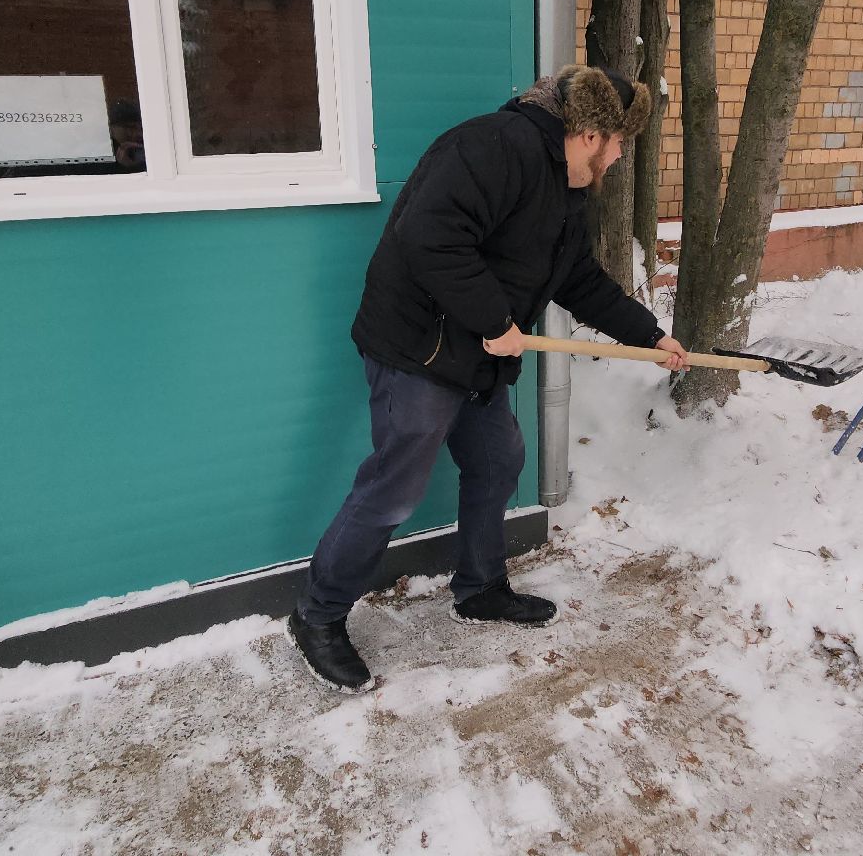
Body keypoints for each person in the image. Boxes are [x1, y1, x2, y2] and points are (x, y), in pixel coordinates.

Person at [288, 64, 690, 694]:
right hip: (418, 348)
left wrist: (651, 336)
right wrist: (495, 318)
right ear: (590, 133)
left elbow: (578, 278)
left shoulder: (565, 187)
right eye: (618, 144)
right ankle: (318, 617)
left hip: (475, 351)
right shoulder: (490, 147)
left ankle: (479, 588)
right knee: (396, 485)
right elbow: (431, 238)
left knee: (500, 459)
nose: (617, 157)